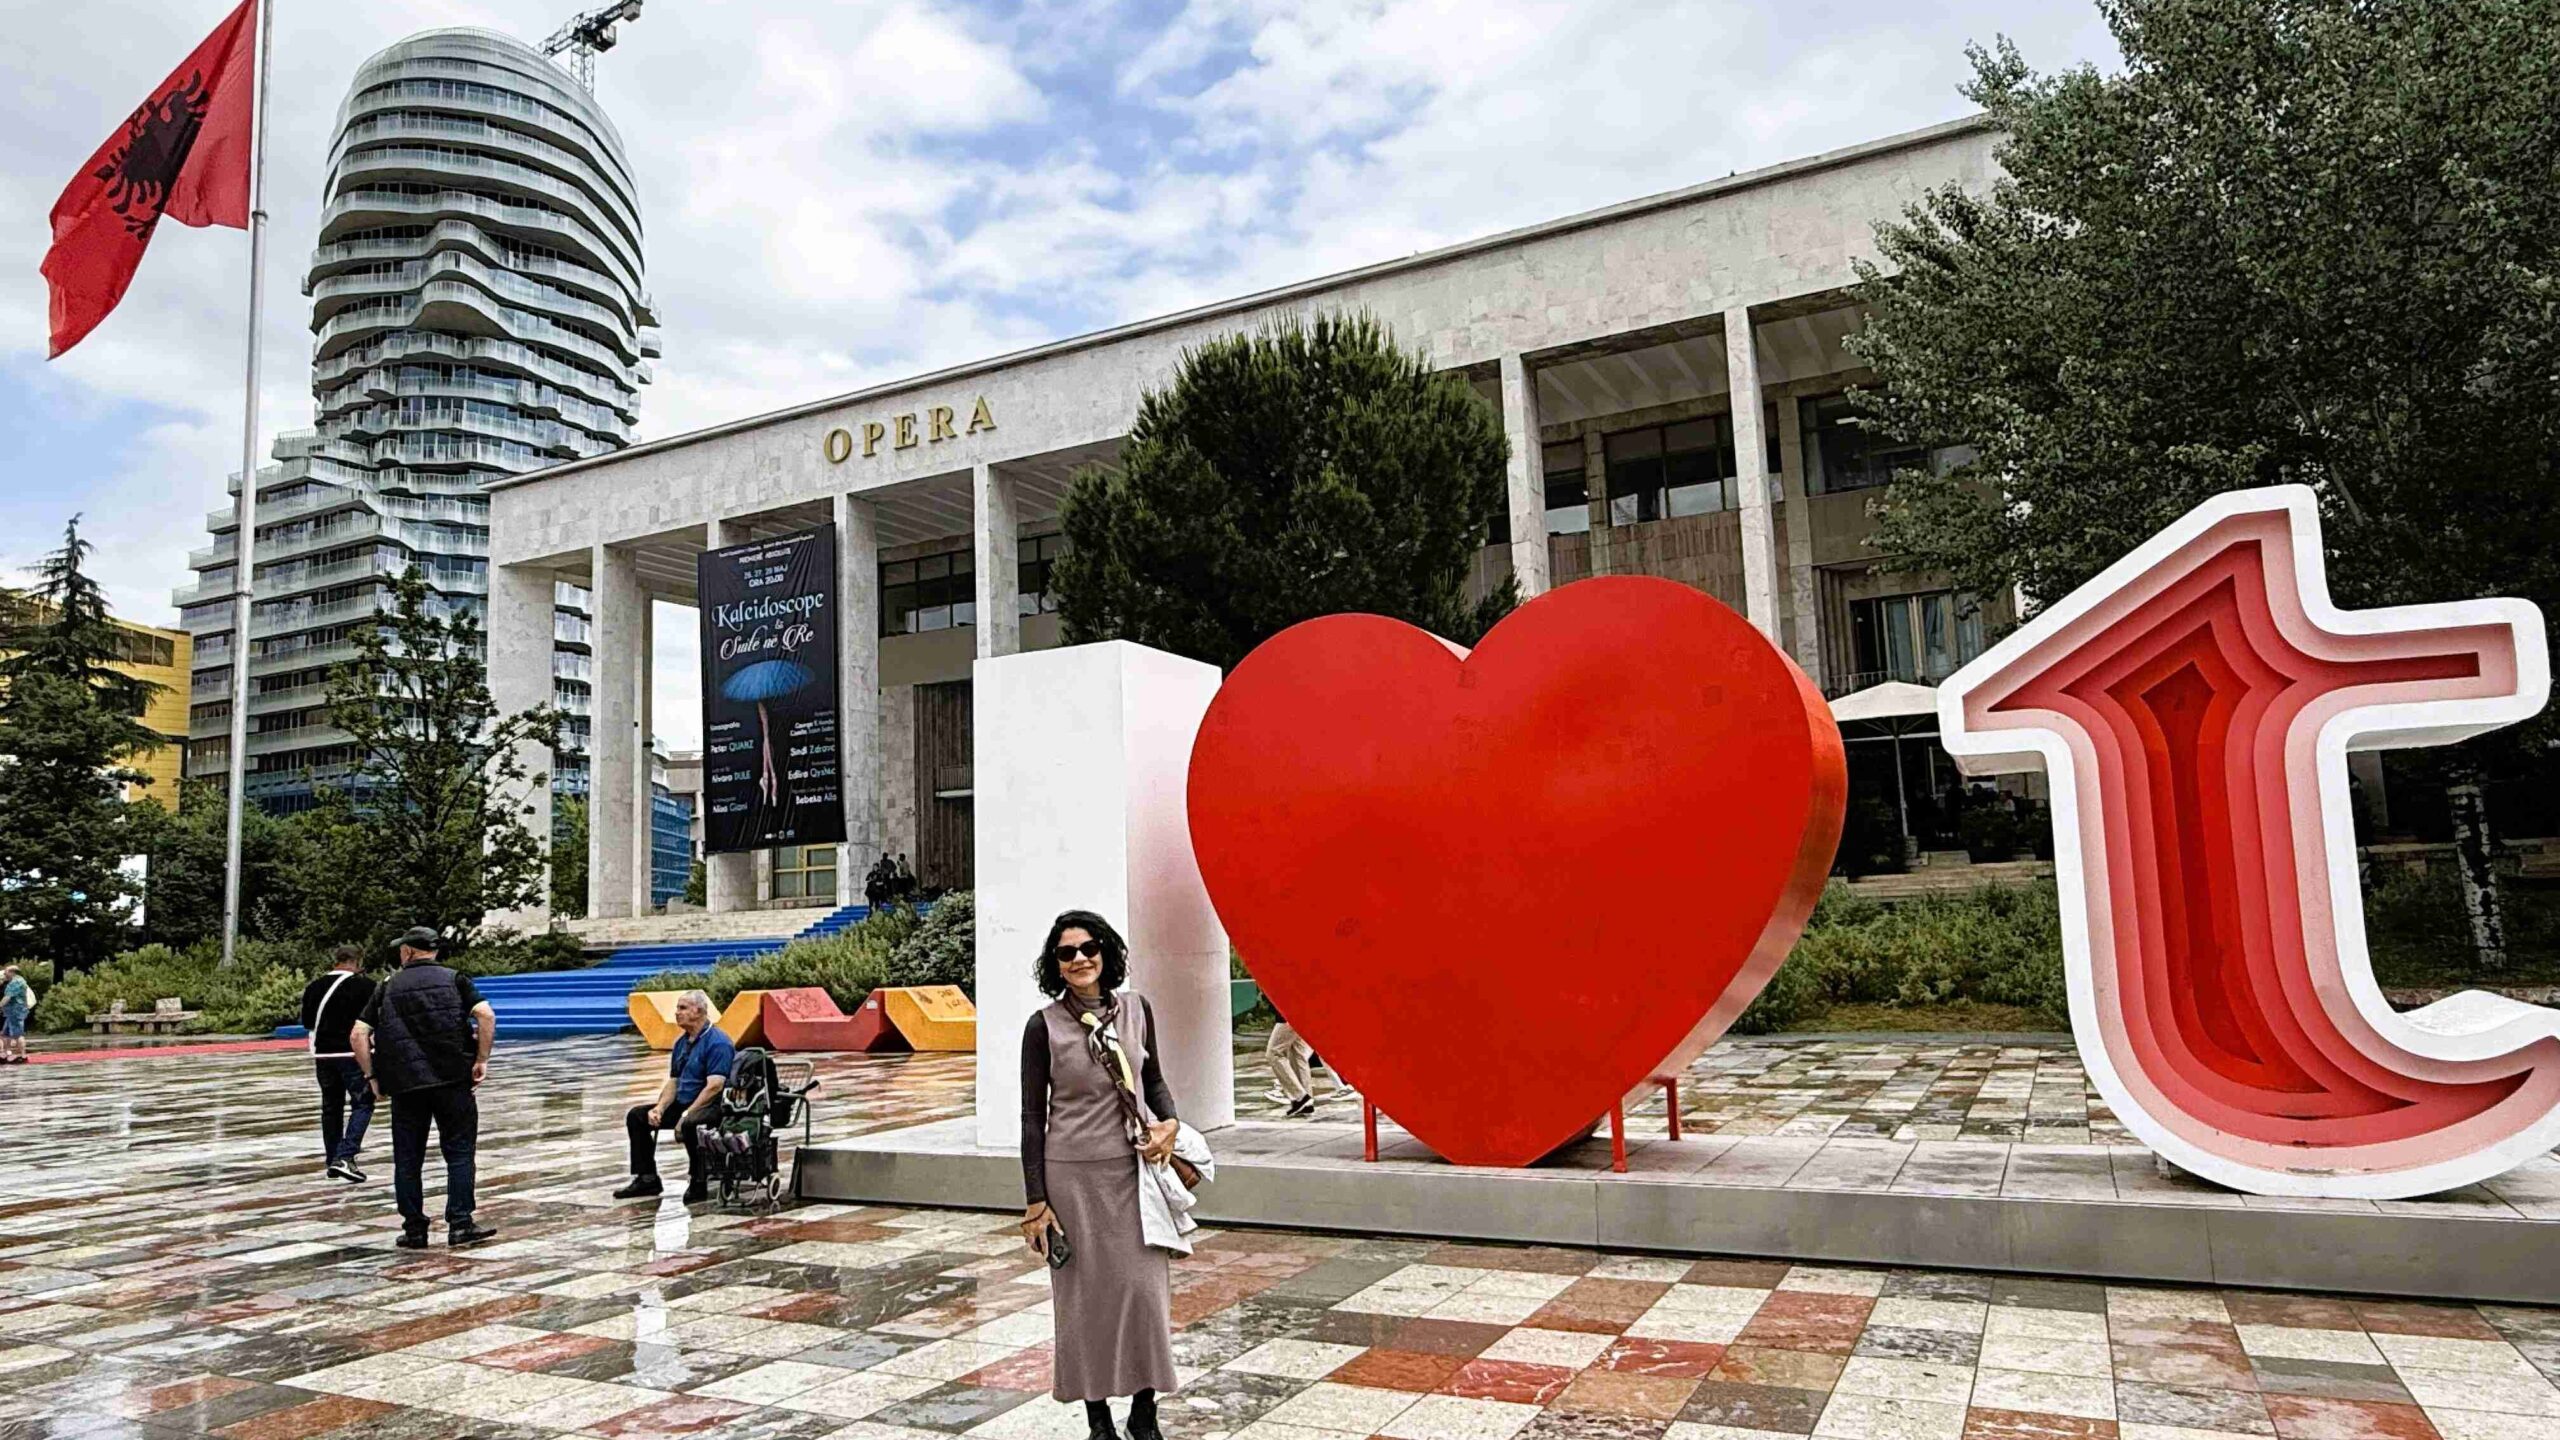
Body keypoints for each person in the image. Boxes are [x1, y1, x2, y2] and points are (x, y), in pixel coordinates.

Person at [1019, 910, 1179, 1440]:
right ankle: (1098, 1421)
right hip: (1073, 1180)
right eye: (1066, 953)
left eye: (1088, 948)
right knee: (1084, 1300)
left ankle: (1145, 1410)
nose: (1080, 959)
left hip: (1134, 1171)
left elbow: (1152, 1079)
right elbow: (1030, 1117)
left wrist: (1171, 1122)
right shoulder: (1043, 1027)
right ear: (1056, 965)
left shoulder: (1137, 1010)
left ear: (1105, 951)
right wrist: (1036, 1198)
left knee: (1143, 1292)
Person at [351, 926, 497, 1248]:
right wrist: (481, 1059)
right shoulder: (455, 979)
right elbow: (486, 1016)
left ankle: (414, 1229)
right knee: (459, 1153)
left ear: (407, 952)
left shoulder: (387, 986)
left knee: (408, 1158)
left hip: (406, 1087)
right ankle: (460, 1224)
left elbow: (358, 1035)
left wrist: (372, 1077)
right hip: (452, 1082)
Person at [614, 989, 733, 1203]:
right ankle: (647, 1177)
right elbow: (674, 1081)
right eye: (678, 1008)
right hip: (684, 1101)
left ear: (698, 1011)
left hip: (712, 1106)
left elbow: (715, 1086)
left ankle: (698, 1180)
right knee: (637, 1116)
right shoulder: (681, 1042)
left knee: (690, 1125)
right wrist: (659, 1108)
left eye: (682, 1008)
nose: (677, 1013)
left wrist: (687, 1114)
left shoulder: (718, 1042)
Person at [300, 945, 378, 1181]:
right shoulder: (365, 986)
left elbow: (307, 1022)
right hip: (351, 1053)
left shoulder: (314, 987)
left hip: (323, 1055)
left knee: (331, 1106)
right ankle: (346, 1156)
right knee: (363, 1102)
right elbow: (374, 1019)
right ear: (357, 961)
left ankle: (333, 1157)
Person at [1264, 1003, 1317, 1118]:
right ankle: (1306, 1103)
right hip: (1303, 1012)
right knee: (1298, 1055)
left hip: (1288, 1013)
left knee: (1273, 1053)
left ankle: (1300, 1097)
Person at [0, 964, 32, 1065]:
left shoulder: (15, 983)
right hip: (12, 1012)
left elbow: (8, 997)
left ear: (12, 972)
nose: (5, 974)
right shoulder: (21, 980)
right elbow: (25, 996)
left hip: (15, 1012)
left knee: (18, 1035)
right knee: (5, 1034)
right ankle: (6, 1054)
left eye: (6, 972)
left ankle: (23, 1056)